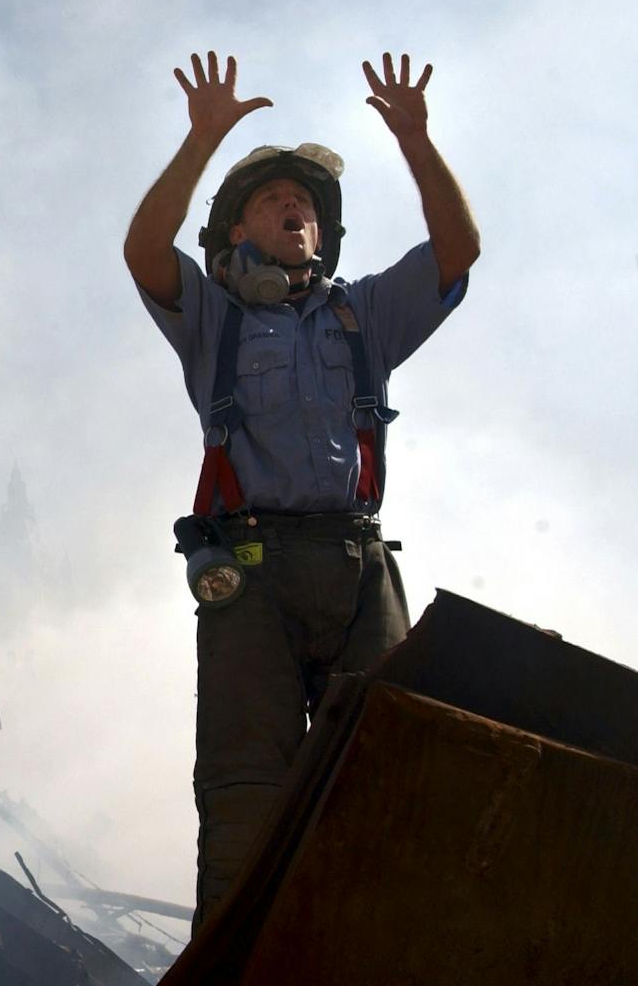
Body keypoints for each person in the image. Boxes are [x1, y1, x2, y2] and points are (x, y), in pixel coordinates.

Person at [123, 52, 479, 927]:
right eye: (276, 201)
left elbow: (457, 250)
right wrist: (202, 140)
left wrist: (417, 142)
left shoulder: (363, 314)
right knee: (247, 800)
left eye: (309, 207)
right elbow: (142, 252)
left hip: (358, 567)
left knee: (393, 776)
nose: (298, 210)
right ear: (236, 232)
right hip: (252, 574)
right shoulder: (214, 317)